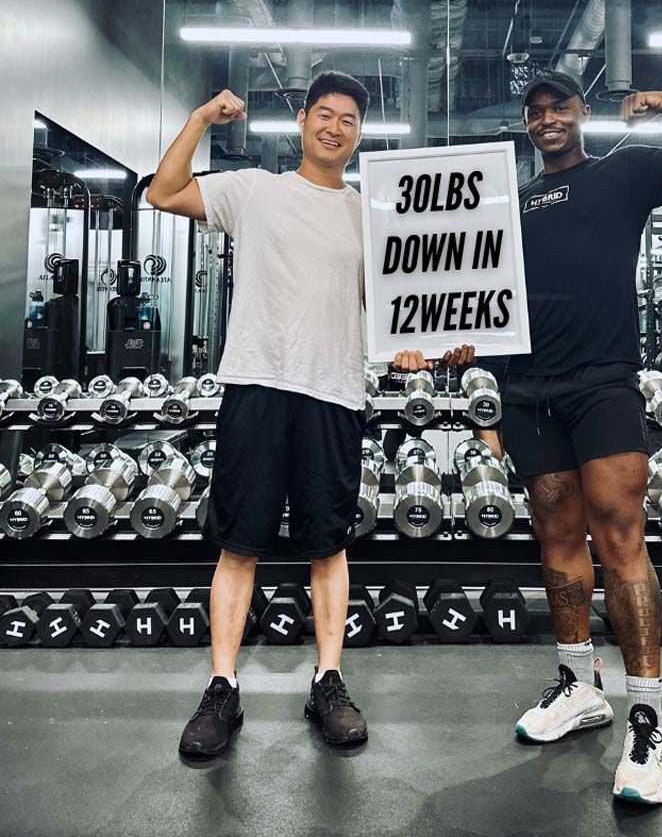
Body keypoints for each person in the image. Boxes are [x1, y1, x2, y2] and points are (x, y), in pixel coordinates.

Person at [148, 71, 471, 758]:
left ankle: (328, 679)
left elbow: (393, 313)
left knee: (329, 544)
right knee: (239, 544)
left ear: (359, 133)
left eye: (349, 119)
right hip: (258, 383)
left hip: (334, 390)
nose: (335, 127)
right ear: (302, 121)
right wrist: (205, 116)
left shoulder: (370, 215)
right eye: (325, 115)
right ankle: (222, 688)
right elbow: (163, 189)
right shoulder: (254, 190)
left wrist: (420, 351)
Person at [478, 70, 662, 805]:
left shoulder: (623, 174)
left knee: (620, 533)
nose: (546, 120)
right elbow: (487, 298)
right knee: (557, 535)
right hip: (528, 391)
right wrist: (492, 397)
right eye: (535, 112)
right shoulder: (512, 202)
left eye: (558, 106)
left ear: (581, 111)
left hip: (601, 382)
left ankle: (648, 723)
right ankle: (577, 685)